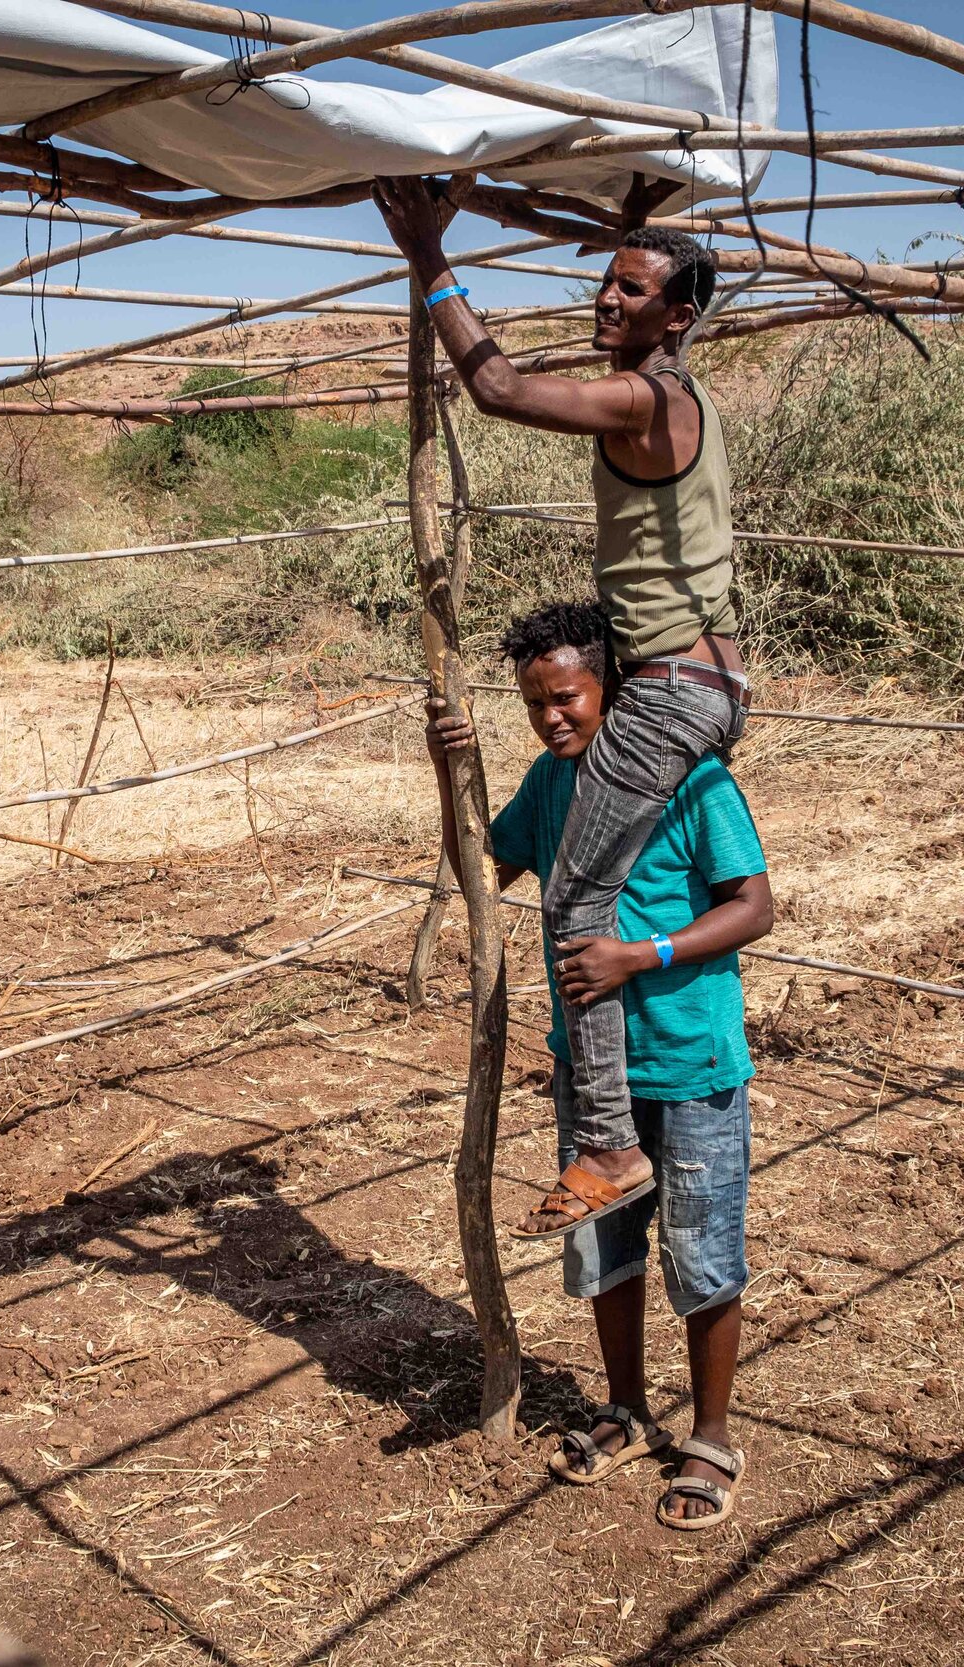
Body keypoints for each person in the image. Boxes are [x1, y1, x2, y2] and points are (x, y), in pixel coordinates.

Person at [376, 176, 746, 1241]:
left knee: (579, 896)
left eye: (629, 289)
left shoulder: (647, 397)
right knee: (590, 876)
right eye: (604, 282)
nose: (605, 302)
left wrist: (429, 256)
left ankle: (609, 1141)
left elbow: (496, 389)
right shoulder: (679, 395)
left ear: (677, 314)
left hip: (677, 683)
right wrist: (628, 210)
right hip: (688, 678)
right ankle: (610, 1133)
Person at [425, 600, 772, 1532]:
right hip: (589, 1069)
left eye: (568, 696)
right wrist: (448, 768)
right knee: (605, 1250)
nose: (553, 718)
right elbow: (481, 873)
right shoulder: (550, 785)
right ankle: (624, 1408)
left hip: (692, 1059)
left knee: (702, 1254)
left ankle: (709, 1434)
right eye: (534, 703)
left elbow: (755, 906)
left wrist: (640, 954)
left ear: (614, 688)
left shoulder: (693, 784)